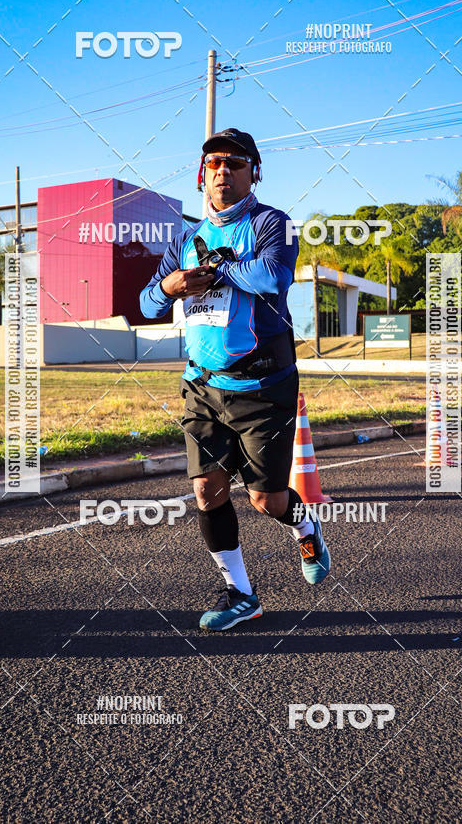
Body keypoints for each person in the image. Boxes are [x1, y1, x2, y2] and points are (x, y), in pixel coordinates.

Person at [140, 127, 330, 631]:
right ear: (202, 175)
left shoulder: (274, 224)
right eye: (215, 164)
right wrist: (170, 285)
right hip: (202, 386)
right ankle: (241, 594)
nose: (223, 172)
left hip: (263, 387)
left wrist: (219, 272)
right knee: (206, 491)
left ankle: (304, 524)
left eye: (236, 164)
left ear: (254, 173)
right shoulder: (185, 238)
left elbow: (273, 276)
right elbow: (144, 304)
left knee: (267, 500)